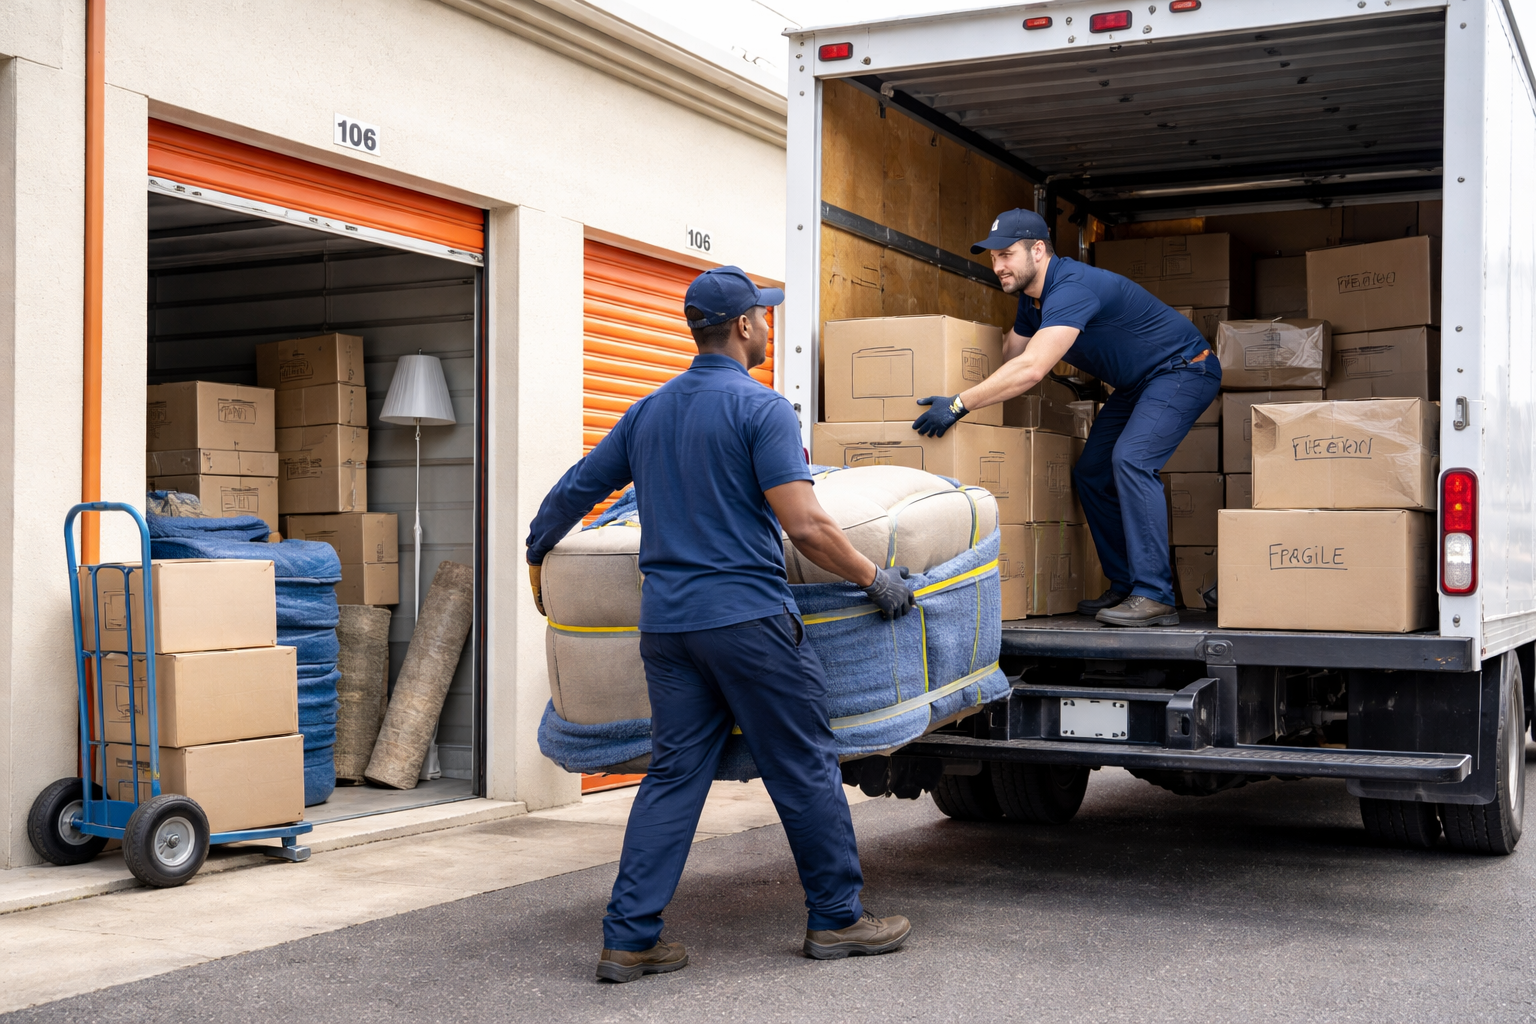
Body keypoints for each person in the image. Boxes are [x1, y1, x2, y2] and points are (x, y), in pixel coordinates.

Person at [526, 266, 915, 983]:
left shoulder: (649, 411)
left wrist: (535, 555)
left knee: (674, 776)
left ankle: (630, 937)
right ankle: (837, 920)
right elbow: (806, 525)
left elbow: (581, 485)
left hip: (669, 629)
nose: (768, 325)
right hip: (748, 622)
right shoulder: (762, 410)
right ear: (742, 326)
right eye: (762, 316)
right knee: (803, 765)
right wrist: (875, 579)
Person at [910, 209, 1221, 627]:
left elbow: (1033, 368)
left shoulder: (1073, 287)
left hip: (1184, 369)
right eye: (993, 257)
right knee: (1092, 472)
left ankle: (1155, 595)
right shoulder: (1031, 301)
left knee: (1131, 460)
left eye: (1006, 255)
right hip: (1137, 385)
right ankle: (1127, 584)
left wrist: (959, 404)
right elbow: (1009, 357)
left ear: (1038, 251)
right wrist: (953, 382)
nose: (998, 266)